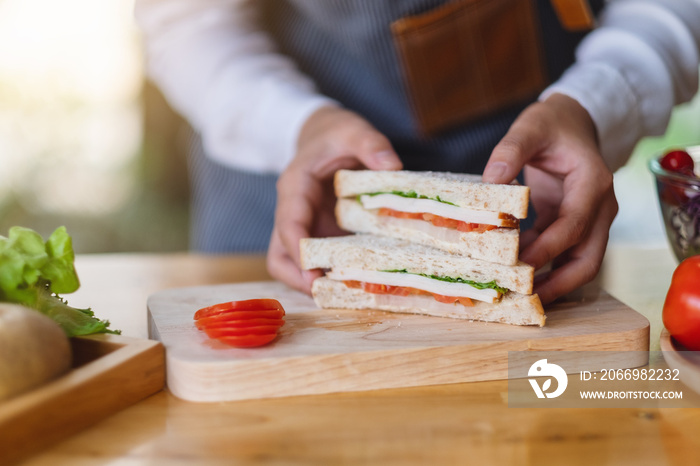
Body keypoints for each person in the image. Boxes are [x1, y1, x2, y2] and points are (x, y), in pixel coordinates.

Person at [135, 0, 700, 305]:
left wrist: (593, 104)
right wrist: (294, 125)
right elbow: (184, 20)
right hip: (283, 175)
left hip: (544, 182)